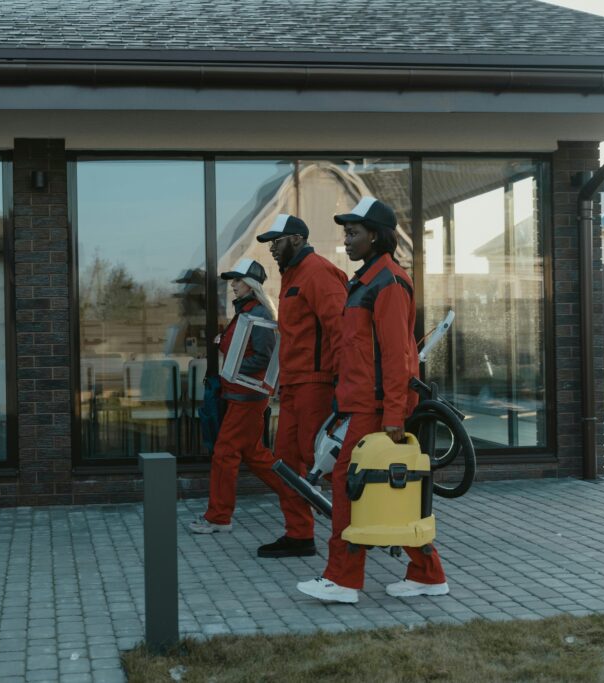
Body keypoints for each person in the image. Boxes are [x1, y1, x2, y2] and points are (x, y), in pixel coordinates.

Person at [296, 197, 449, 604]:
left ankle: (343, 579)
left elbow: (399, 356)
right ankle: (428, 574)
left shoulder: (388, 284)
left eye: (353, 233)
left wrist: (395, 416)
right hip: (359, 405)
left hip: (378, 410)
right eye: (346, 232)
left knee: (352, 487)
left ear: (376, 236)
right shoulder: (364, 283)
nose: (346, 240)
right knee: (387, 490)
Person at [253, 214, 350, 558]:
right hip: (294, 386)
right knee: (286, 462)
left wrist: (343, 382)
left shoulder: (319, 273)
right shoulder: (292, 276)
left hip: (318, 384)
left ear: (296, 239)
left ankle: (353, 536)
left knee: (320, 462)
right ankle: (299, 535)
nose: (272, 251)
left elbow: (341, 329)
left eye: (276, 243)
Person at [189, 258, 305, 536]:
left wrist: (233, 366)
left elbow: (263, 358)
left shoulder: (258, 314)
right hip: (241, 395)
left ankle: (219, 517)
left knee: (224, 453)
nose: (233, 285)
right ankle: (299, 495)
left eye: (238, 280)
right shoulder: (246, 313)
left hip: (247, 397)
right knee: (255, 455)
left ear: (251, 285)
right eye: (232, 280)